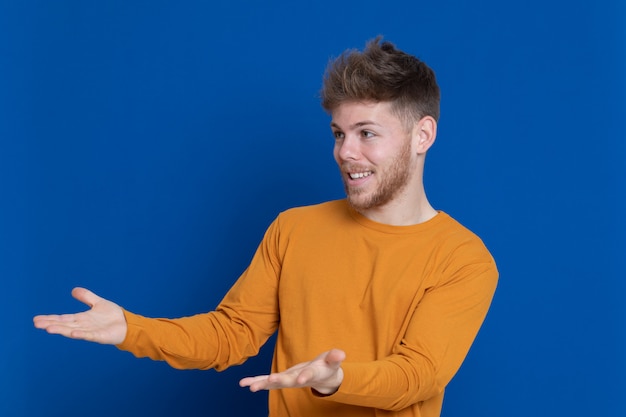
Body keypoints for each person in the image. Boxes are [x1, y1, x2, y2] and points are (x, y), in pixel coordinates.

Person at [34, 37, 498, 417]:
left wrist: (335, 380)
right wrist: (131, 329)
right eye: (339, 133)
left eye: (367, 133)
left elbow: (416, 376)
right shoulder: (294, 228)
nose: (345, 152)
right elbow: (230, 334)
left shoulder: (463, 259)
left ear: (423, 136)